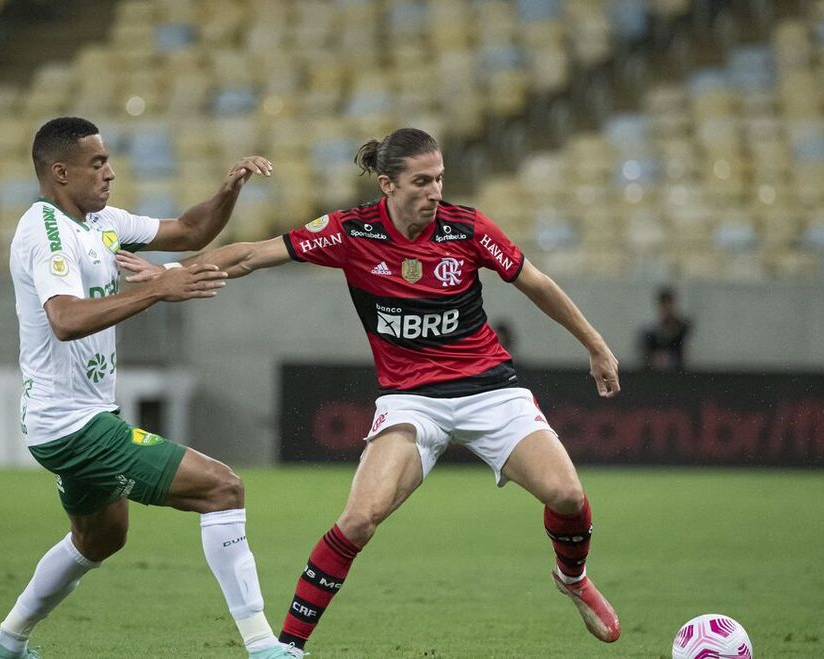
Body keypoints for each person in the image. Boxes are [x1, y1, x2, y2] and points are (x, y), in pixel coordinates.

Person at [116, 127, 623, 655]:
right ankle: (288, 648)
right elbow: (250, 255)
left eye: (440, 179)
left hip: (489, 391)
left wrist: (596, 346)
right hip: (411, 402)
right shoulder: (350, 231)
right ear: (387, 184)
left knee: (566, 495)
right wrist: (171, 272)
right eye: (421, 182)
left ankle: (571, 577)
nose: (434, 192)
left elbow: (535, 281)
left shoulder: (466, 228)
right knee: (358, 519)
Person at [0, 116, 297, 659]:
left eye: (108, 161)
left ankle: (5, 644)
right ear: (60, 172)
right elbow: (66, 319)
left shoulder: (101, 221)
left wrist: (227, 190)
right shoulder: (47, 232)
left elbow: (190, 232)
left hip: (74, 418)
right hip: (72, 425)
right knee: (223, 488)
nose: (110, 173)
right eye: (97, 163)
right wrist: (160, 289)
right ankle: (264, 646)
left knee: (101, 537)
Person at [639, 285, 692, 371]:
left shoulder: (682, 326)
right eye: (664, 304)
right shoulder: (652, 332)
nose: (667, 308)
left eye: (669, 304)